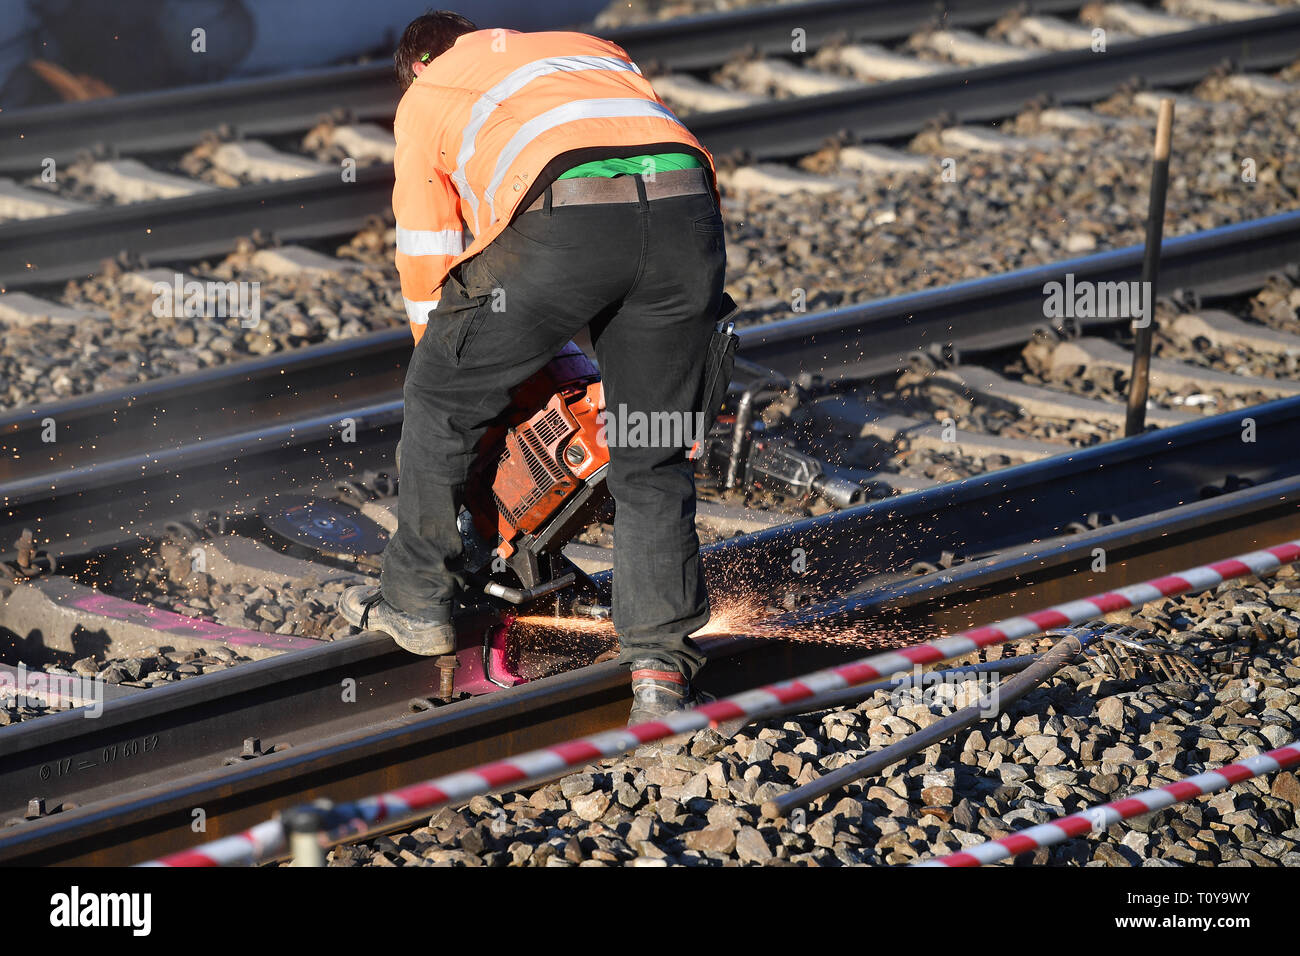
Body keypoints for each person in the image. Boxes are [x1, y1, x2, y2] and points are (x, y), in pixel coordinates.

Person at [338, 11, 727, 723]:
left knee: (438, 396)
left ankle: (418, 600)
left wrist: (453, 360)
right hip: (688, 214)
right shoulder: (583, 47)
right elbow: (641, 147)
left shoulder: (427, 94)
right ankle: (661, 678)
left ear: (416, 69)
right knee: (652, 453)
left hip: (567, 212)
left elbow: (428, 247)